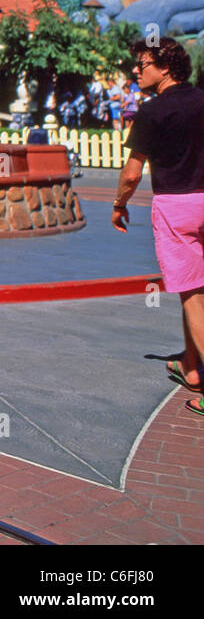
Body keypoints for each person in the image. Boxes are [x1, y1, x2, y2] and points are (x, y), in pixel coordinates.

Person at [112, 38, 204, 408]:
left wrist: (119, 204)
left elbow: (132, 174)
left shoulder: (151, 112)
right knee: (196, 291)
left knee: (193, 293)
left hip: (177, 207)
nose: (136, 69)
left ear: (166, 68)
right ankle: (191, 365)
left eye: (143, 63)